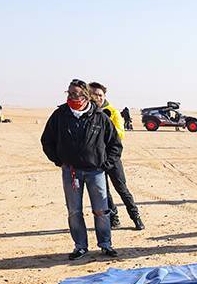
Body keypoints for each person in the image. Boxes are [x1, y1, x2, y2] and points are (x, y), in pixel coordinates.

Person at [41, 79, 121, 259]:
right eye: (69, 93)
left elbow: (115, 144)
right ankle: (80, 246)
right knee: (74, 211)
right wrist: (59, 160)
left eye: (75, 93)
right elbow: (47, 141)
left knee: (101, 209)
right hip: (71, 172)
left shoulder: (100, 116)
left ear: (85, 95)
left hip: (96, 172)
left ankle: (105, 245)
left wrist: (106, 164)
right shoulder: (60, 115)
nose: (71, 96)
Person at [89, 82, 144, 230]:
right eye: (94, 95)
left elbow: (119, 135)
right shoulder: (87, 112)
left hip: (112, 158)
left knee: (121, 188)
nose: (97, 98)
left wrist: (101, 137)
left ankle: (136, 217)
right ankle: (114, 218)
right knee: (104, 192)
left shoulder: (112, 112)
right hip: (96, 159)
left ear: (104, 96)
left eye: (100, 95)